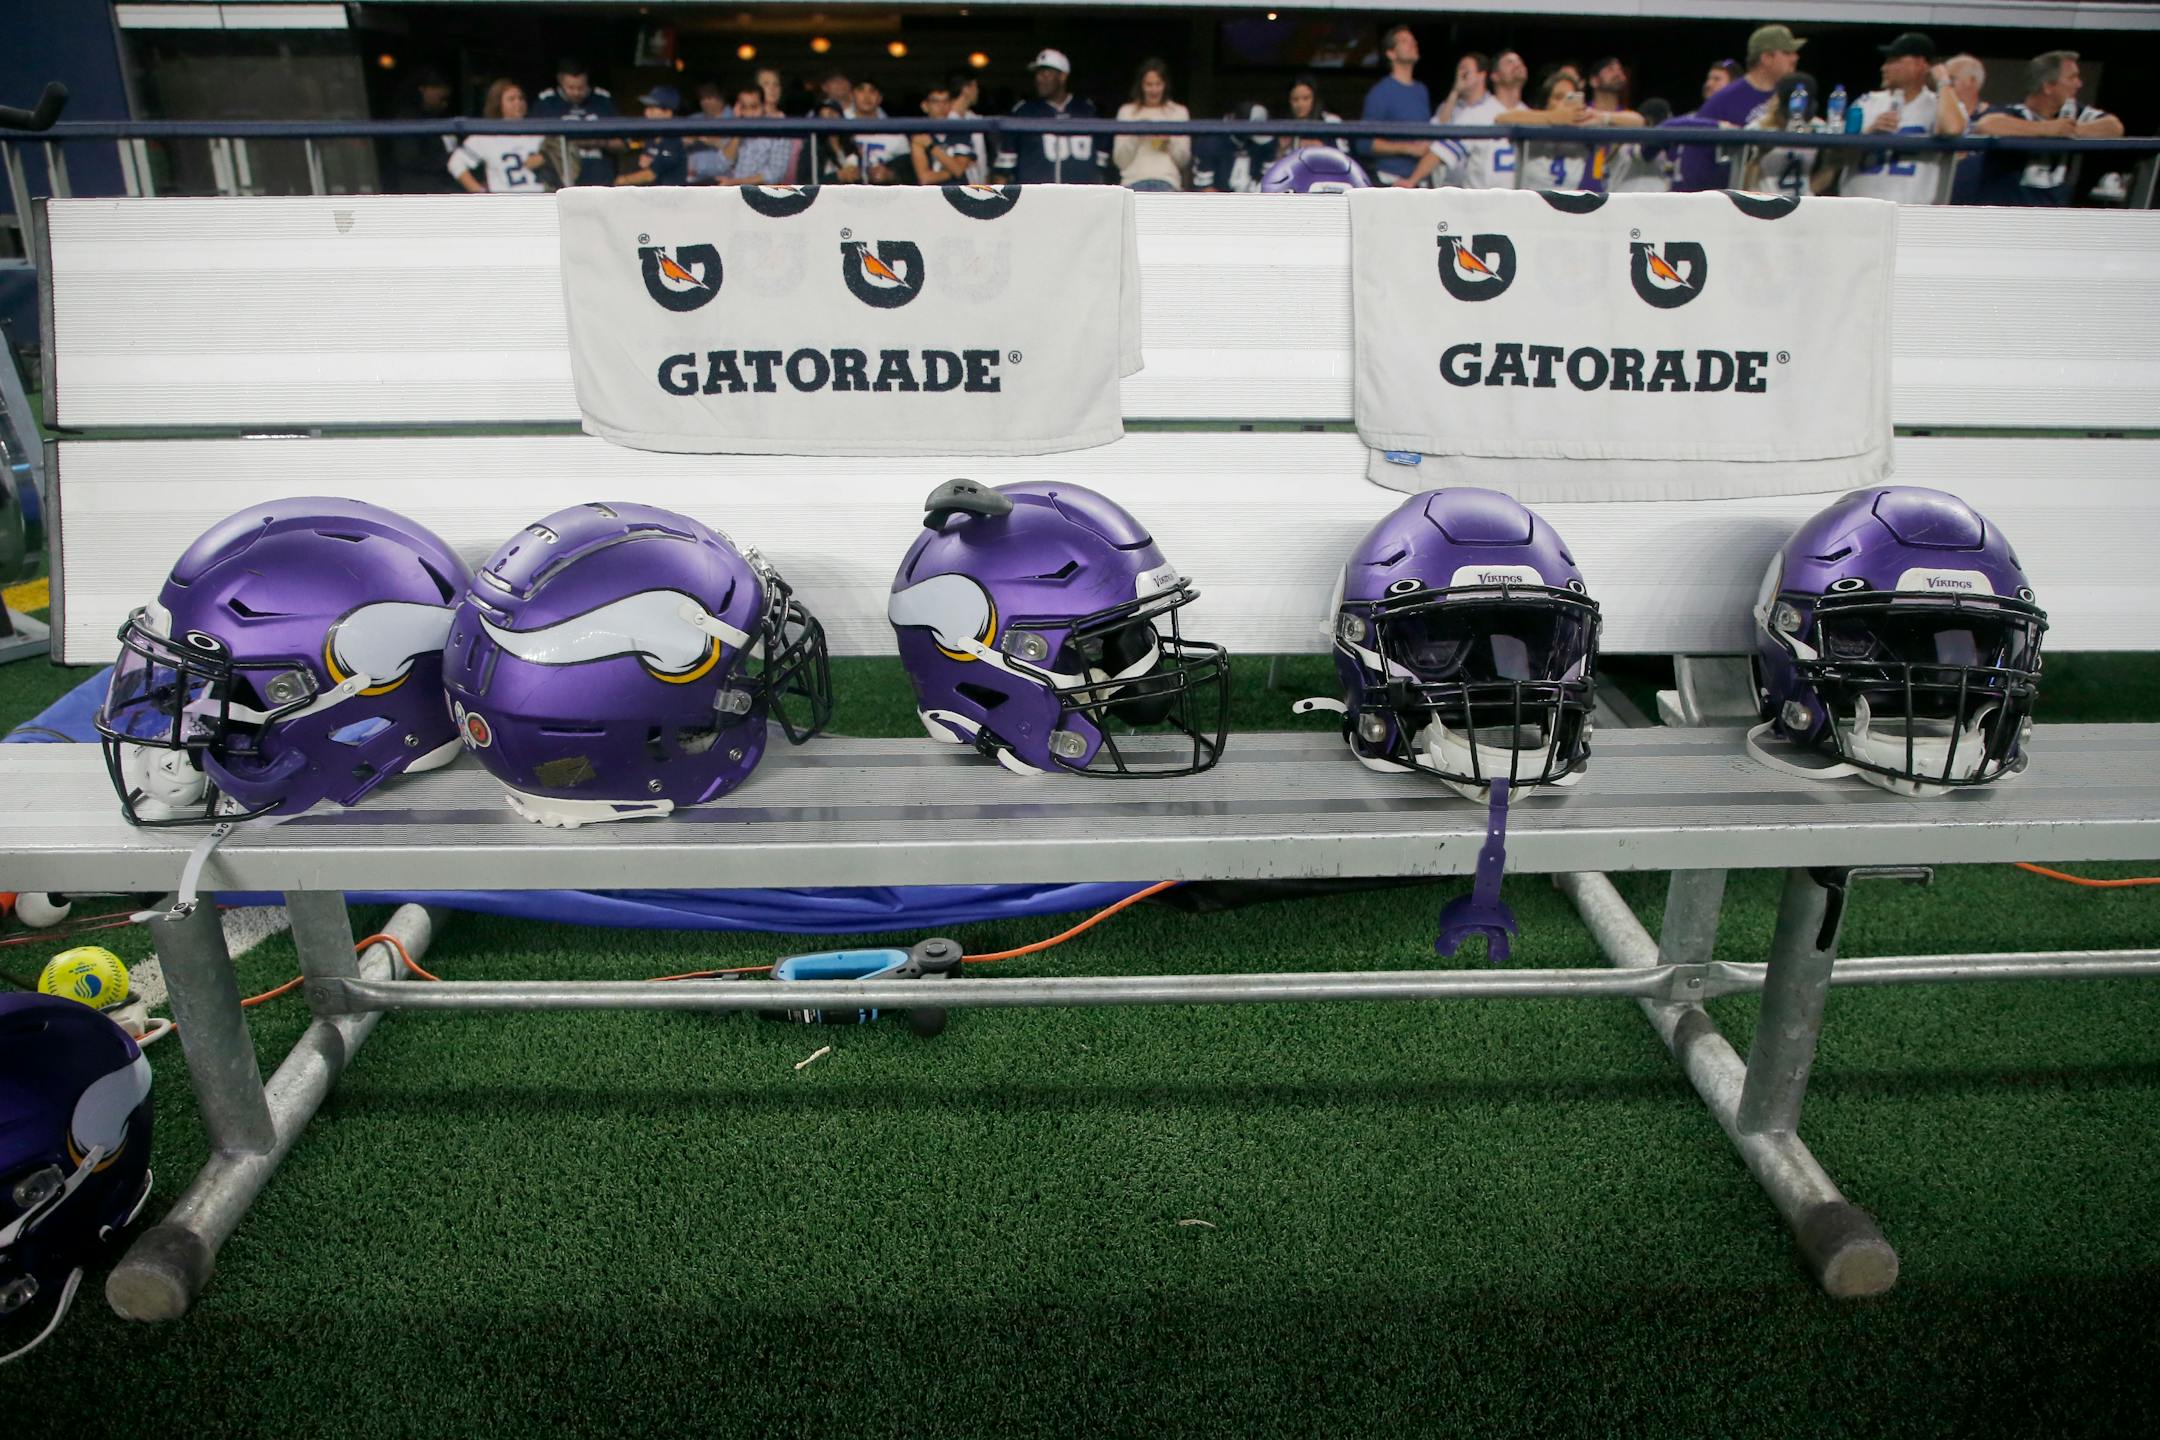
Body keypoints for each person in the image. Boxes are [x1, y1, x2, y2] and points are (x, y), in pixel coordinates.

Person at [1973, 50, 2123, 205]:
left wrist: (2072, 130)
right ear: (2048, 87)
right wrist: (2047, 129)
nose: (2079, 84)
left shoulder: (2073, 114)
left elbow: (2114, 127)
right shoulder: (2016, 113)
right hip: (2011, 214)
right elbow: (1986, 125)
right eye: (2072, 78)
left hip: (2055, 217)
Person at [1832, 32, 1966, 205]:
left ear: (1920, 64)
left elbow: (1953, 128)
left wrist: (1943, 81)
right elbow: (1837, 156)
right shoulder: (1867, 102)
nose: (1884, 68)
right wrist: (1869, 133)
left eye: (1893, 61)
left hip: (1912, 212)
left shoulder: (1939, 105)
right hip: (1859, 209)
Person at [1674, 23, 1804, 190]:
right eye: (1787, 52)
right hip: (1731, 202)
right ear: (1766, 58)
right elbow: (1694, 158)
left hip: (1776, 197)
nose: (1795, 58)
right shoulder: (1724, 100)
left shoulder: (1788, 99)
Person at [1395, 53, 1514, 189]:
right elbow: (1435, 139)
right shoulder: (1453, 107)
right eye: (1459, 70)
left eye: (1466, 70)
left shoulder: (1494, 108)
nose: (1461, 75)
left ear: (1482, 75)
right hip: (1449, 184)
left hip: (1482, 185)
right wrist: (1455, 92)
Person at [996, 49, 1108, 184]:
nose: (1039, 78)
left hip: (1081, 199)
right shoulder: (1025, 112)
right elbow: (1003, 170)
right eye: (1038, 73)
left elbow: (1101, 169)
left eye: (1046, 73)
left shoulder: (1087, 111)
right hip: (1037, 199)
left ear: (1063, 76)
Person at [1516, 71, 1634, 191]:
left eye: (1570, 97)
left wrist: (1600, 116)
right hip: (1534, 204)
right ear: (1546, 102)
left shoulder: (1587, 132)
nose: (1564, 103)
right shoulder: (1533, 127)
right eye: (1558, 97)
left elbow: (1639, 121)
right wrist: (1553, 117)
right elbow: (1502, 118)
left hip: (1574, 205)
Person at [1358, 25, 1432, 186]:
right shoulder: (1380, 93)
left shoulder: (1421, 90)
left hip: (1419, 182)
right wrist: (1408, 148)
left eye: (1413, 40)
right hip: (1391, 181)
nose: (1413, 44)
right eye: (1405, 41)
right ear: (1391, 53)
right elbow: (1364, 144)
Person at [449, 79, 548, 193]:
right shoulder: (486, 135)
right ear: (498, 103)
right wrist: (479, 192)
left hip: (540, 199)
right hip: (505, 202)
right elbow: (456, 163)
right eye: (511, 99)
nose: (518, 103)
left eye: (521, 98)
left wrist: (545, 158)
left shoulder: (538, 132)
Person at [1743, 73, 1832, 198]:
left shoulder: (1817, 128)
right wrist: (1758, 156)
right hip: (1765, 204)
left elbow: (1812, 186)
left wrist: (1833, 163)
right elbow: (1742, 185)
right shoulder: (1758, 128)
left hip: (1803, 205)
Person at [531, 59, 616, 187]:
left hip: (601, 179)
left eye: (581, 88)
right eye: (571, 88)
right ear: (560, 81)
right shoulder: (546, 103)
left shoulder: (603, 101)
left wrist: (598, 142)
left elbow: (624, 144)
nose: (576, 92)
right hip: (561, 180)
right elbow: (536, 146)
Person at [1114, 58, 1192, 191]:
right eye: (1149, 85)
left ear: (1165, 85)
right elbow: (1120, 161)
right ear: (1141, 86)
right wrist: (1137, 133)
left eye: (1158, 84)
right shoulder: (1126, 112)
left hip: (1167, 182)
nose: (1154, 90)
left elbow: (1183, 161)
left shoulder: (1179, 112)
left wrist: (1168, 140)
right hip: (1133, 182)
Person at [695, 83, 790, 186]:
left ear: (763, 106)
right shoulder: (735, 127)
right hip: (732, 195)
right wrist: (738, 131)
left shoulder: (778, 131)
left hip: (763, 196)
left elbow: (774, 174)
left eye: (753, 107)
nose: (748, 113)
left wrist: (735, 183)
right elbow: (721, 165)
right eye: (744, 107)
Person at [386, 66, 459, 193]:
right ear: (423, 90)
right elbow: (409, 158)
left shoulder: (445, 119)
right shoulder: (408, 120)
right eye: (441, 98)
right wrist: (451, 160)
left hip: (446, 185)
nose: (445, 103)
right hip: (420, 190)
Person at [614, 85, 687, 187]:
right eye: (647, 108)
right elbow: (643, 164)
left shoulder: (673, 139)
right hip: (651, 195)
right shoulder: (651, 137)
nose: (646, 113)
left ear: (667, 113)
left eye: (652, 108)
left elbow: (650, 175)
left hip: (672, 198)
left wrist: (620, 181)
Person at [909, 81, 978, 185]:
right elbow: (925, 178)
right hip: (932, 196)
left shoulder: (961, 131)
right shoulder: (919, 136)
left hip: (960, 194)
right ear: (925, 106)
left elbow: (958, 171)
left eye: (945, 101)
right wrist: (952, 169)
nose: (941, 106)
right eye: (935, 102)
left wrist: (931, 146)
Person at [843, 79, 909, 184]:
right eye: (861, 90)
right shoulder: (839, 128)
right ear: (851, 95)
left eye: (872, 91)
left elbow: (909, 174)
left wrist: (891, 175)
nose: (867, 96)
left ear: (880, 98)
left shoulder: (896, 133)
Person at [1944, 54, 1990, 204]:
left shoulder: (1991, 115)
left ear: (1972, 81)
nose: (1945, 86)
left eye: (1951, 79)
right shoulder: (1937, 115)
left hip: (1978, 198)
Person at [1280, 73, 1342, 157]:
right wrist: (1281, 150)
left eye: (1306, 98)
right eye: (1295, 99)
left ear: (1315, 99)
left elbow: (1344, 160)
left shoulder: (1330, 121)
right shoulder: (1282, 127)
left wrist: (1322, 148)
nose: (1300, 104)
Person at [686, 81, 736, 184]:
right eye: (702, 98)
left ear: (721, 98)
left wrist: (713, 142)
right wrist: (691, 139)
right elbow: (676, 143)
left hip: (723, 181)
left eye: (709, 97)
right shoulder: (693, 120)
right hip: (692, 181)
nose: (705, 102)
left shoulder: (736, 119)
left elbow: (739, 151)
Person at [948, 72, 989, 183]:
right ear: (966, 88)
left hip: (978, 186)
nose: (977, 91)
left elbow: (981, 158)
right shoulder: (944, 120)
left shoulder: (975, 119)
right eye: (975, 86)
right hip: (953, 187)